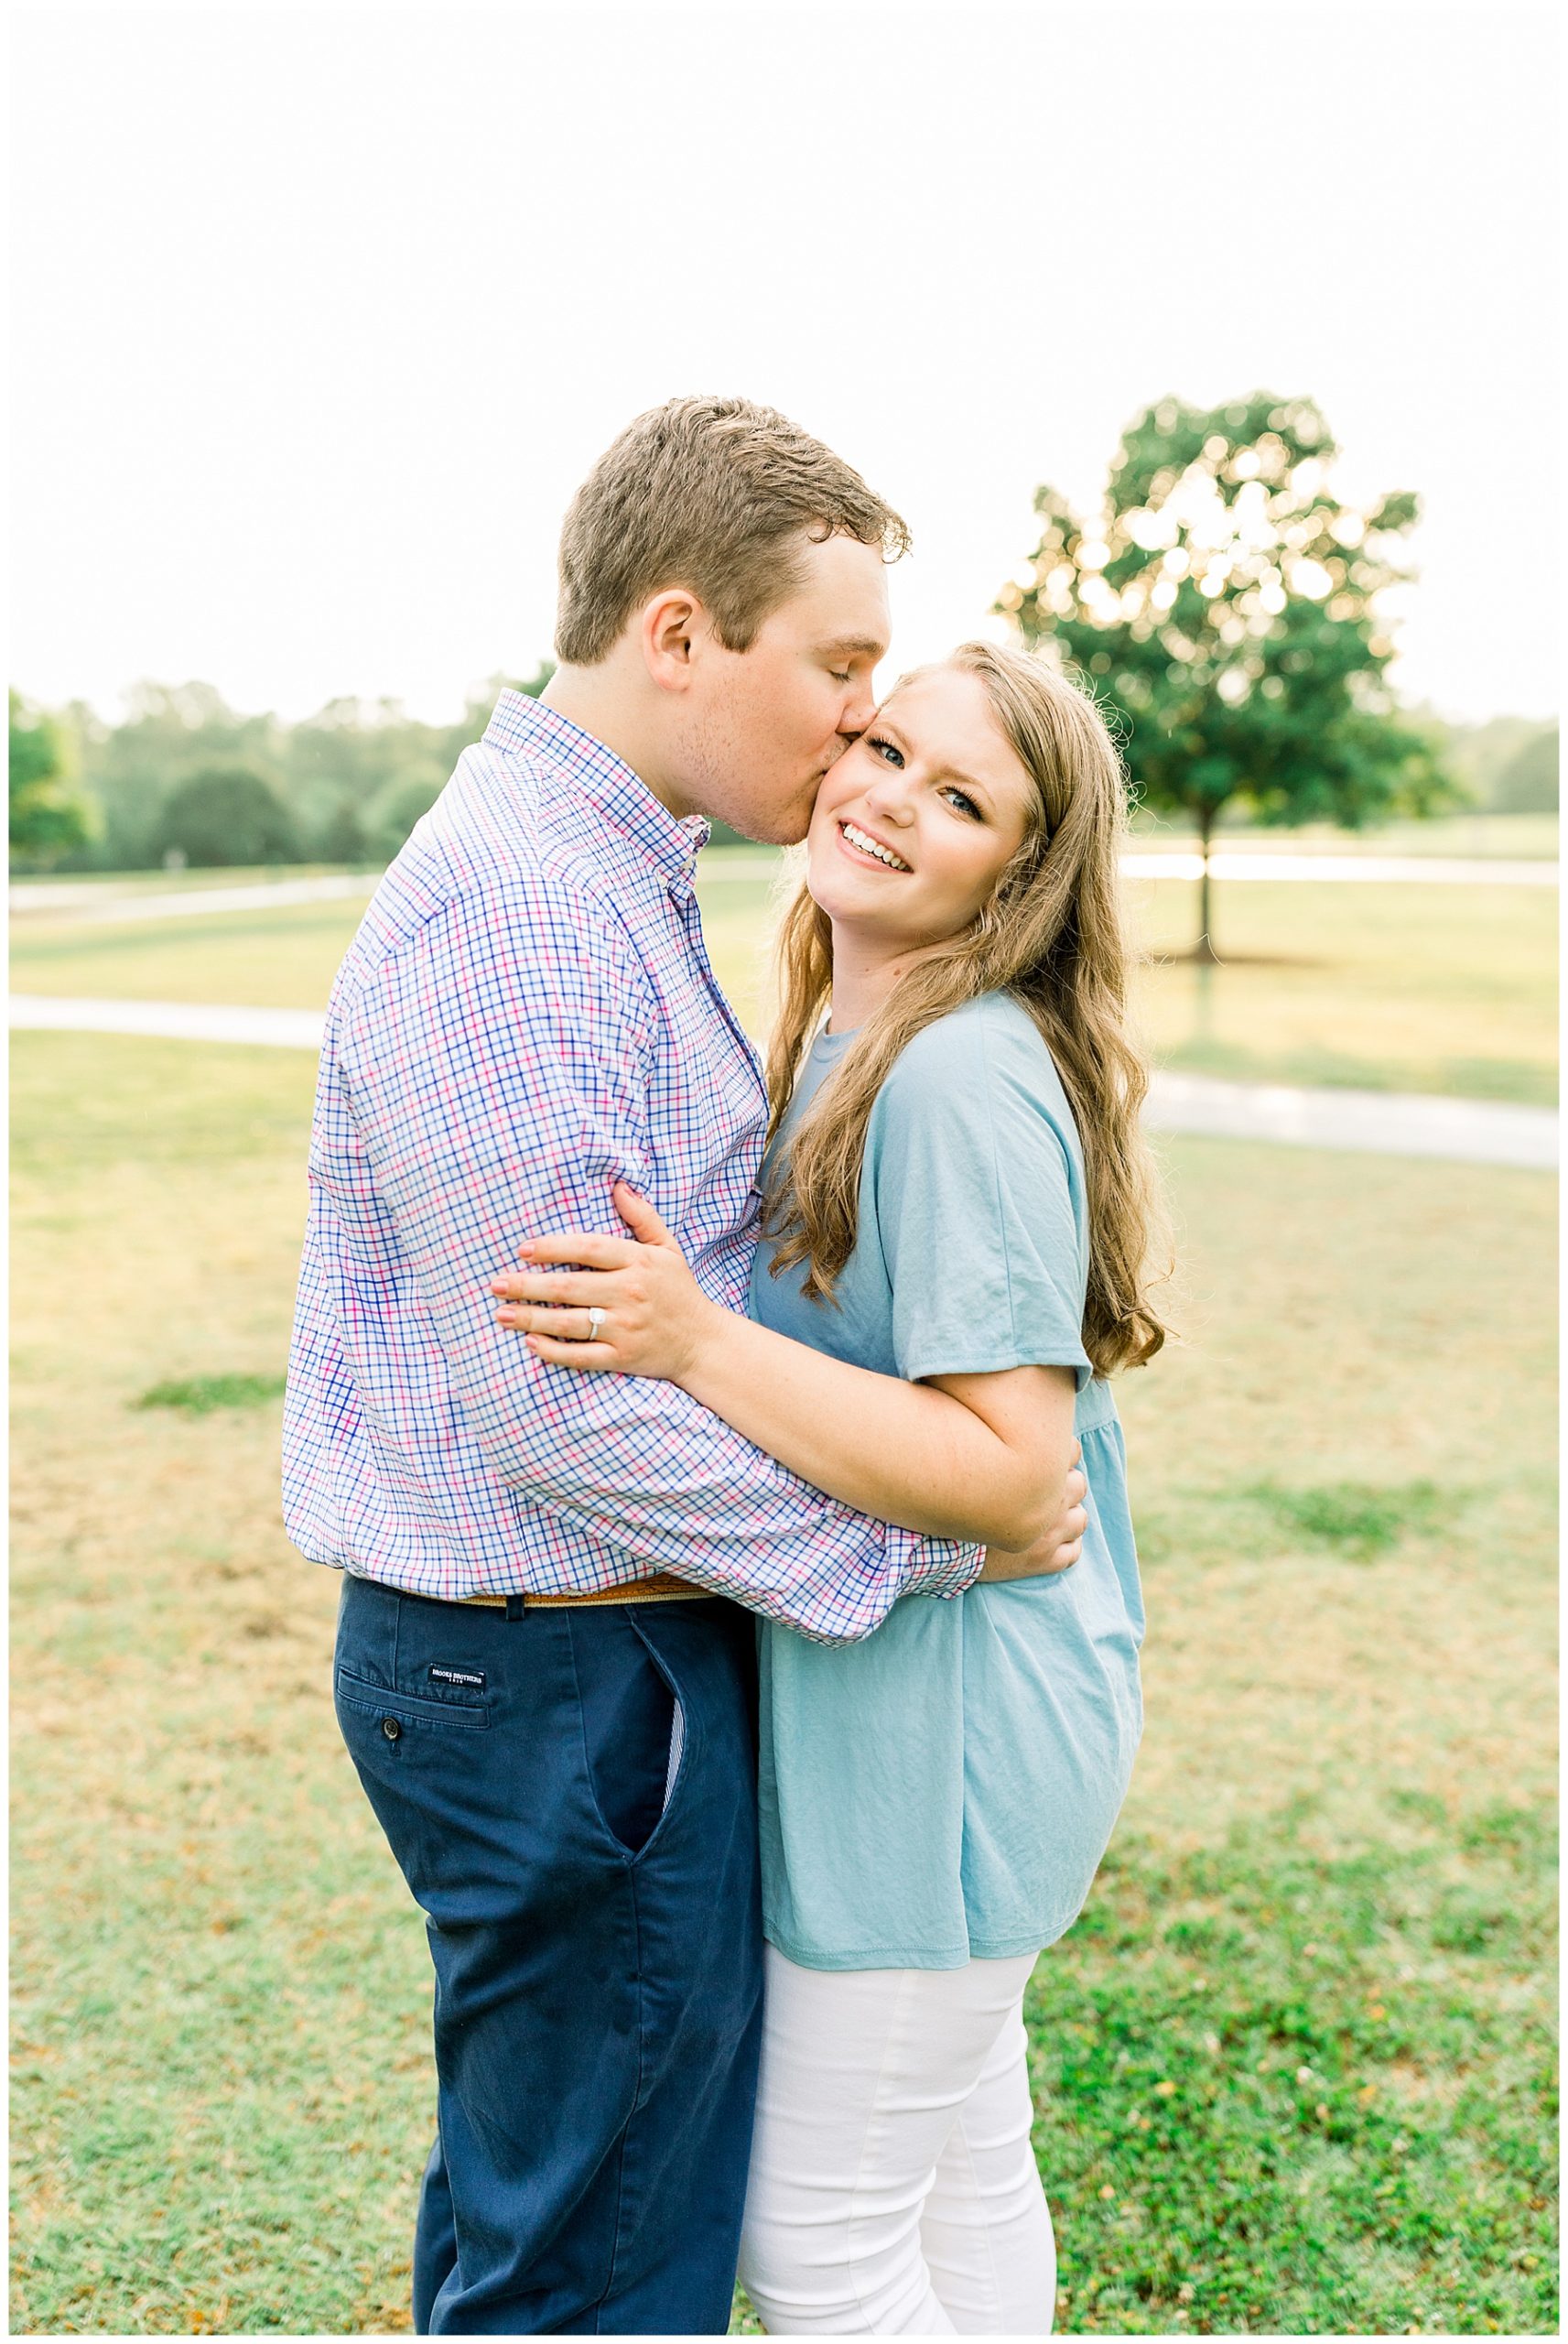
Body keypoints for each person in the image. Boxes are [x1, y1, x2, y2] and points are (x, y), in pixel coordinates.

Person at [283, 398, 1087, 2337]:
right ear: (674, 635)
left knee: (545, 2214)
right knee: (598, 2270)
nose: (848, 730)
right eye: (833, 675)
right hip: (562, 1678)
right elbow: (563, 1404)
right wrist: (911, 1549)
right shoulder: (520, 915)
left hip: (577, 1672)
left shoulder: (615, 870)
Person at [491, 638, 1170, 2335]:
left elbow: (1011, 1477)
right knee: (954, 2176)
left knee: (824, 2246)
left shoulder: (950, 1077)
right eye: (882, 748)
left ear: (1018, 877)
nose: (885, 800)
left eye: (960, 800)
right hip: (920, 1721)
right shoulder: (855, 1038)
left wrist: (692, 1342)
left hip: (945, 1748)